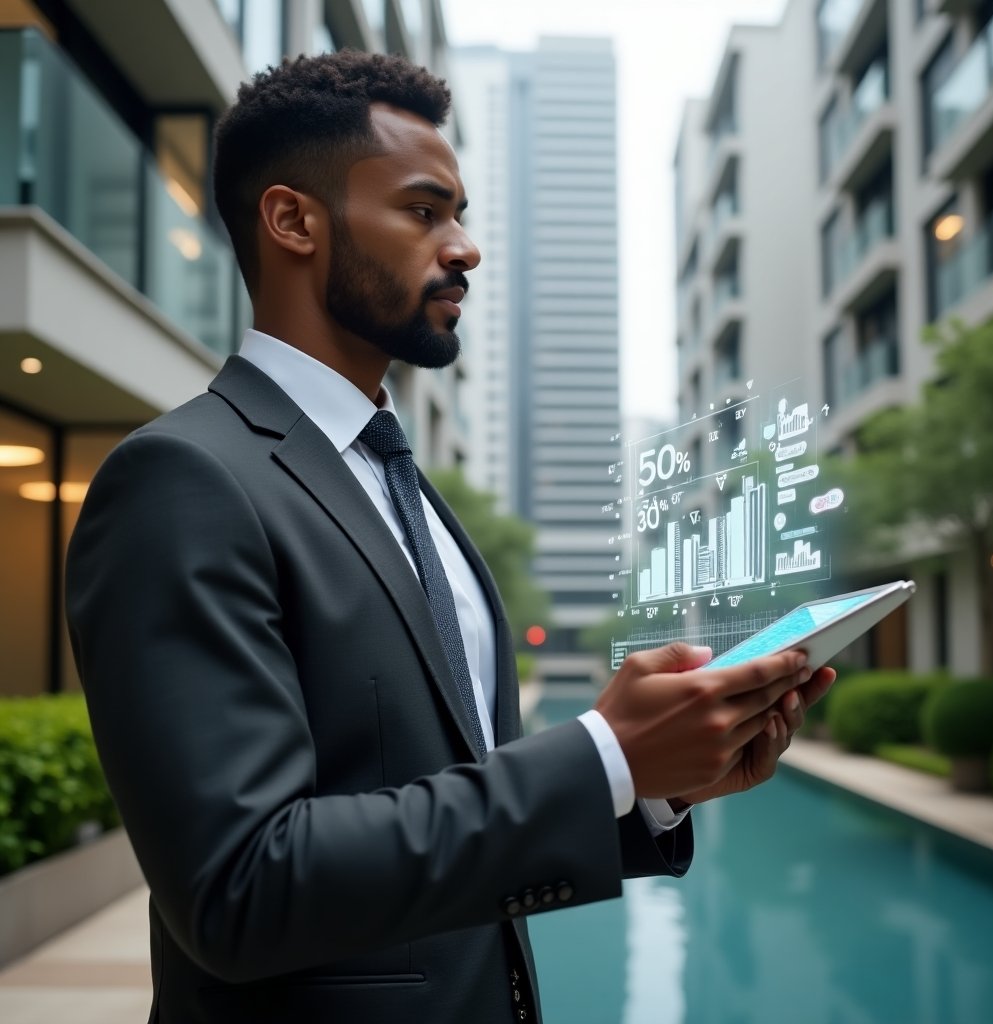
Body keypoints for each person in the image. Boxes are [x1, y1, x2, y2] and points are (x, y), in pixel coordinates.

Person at [65, 49, 834, 1024]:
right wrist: (602, 752)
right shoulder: (181, 481)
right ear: (293, 220)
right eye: (424, 212)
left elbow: (452, 811)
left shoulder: (406, 488)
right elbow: (238, 887)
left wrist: (653, 786)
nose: (464, 247)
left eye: (460, 215)